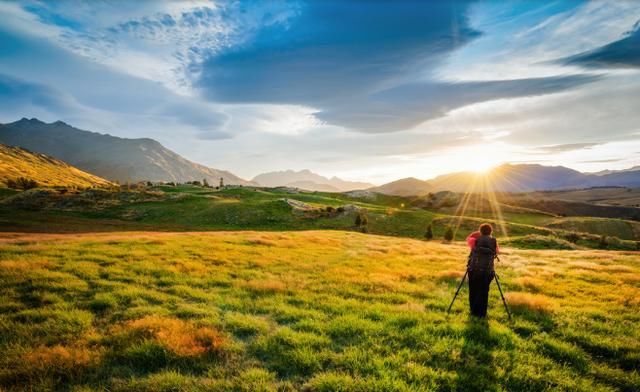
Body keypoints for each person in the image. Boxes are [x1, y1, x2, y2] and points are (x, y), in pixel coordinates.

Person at [466, 223, 499, 318]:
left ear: (480, 231)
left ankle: (473, 311)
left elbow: (469, 244)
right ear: (491, 232)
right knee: (484, 291)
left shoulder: (475, 240)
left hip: (474, 270)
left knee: (473, 290)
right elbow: (497, 252)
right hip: (488, 271)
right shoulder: (494, 241)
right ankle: (482, 314)